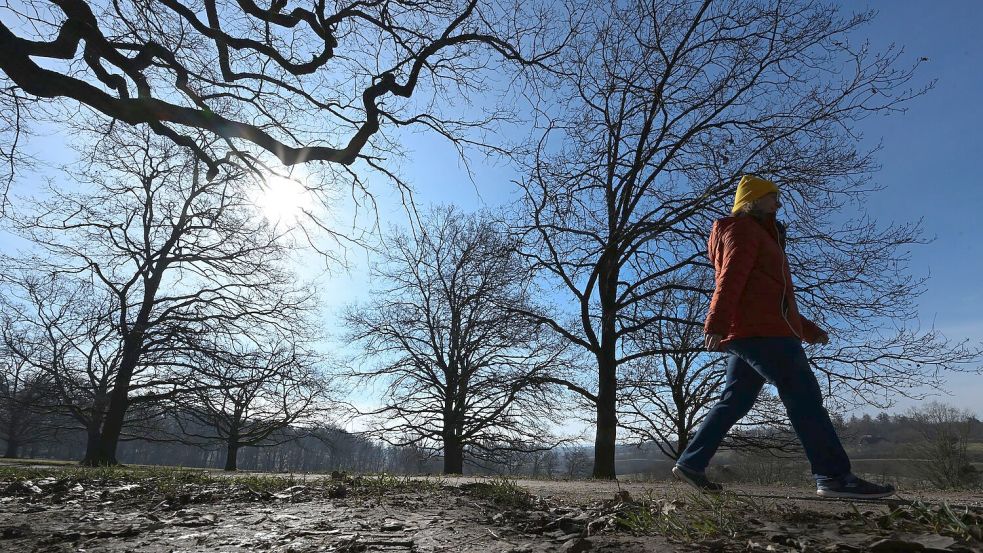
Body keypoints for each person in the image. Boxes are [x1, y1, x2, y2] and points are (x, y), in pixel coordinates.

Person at [671, 175, 895, 499]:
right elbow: (731, 278)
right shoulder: (744, 230)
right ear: (754, 199)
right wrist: (715, 322)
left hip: (756, 330)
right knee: (803, 394)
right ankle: (834, 477)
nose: (778, 202)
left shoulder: (761, 235)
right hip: (761, 333)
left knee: (735, 400)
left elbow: (769, 298)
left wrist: (807, 329)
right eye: (772, 196)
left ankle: (692, 462)